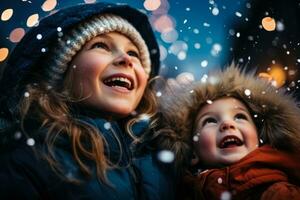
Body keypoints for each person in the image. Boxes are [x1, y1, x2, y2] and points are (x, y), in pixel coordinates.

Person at [0, 2, 176, 199]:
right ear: (61, 74)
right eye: (101, 45)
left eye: (133, 53)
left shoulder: (161, 154)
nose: (126, 59)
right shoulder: (31, 157)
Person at [160, 65, 300, 199]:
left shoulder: (277, 192)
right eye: (210, 121)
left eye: (240, 117)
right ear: (193, 154)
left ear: (260, 137)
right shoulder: (181, 193)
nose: (227, 124)